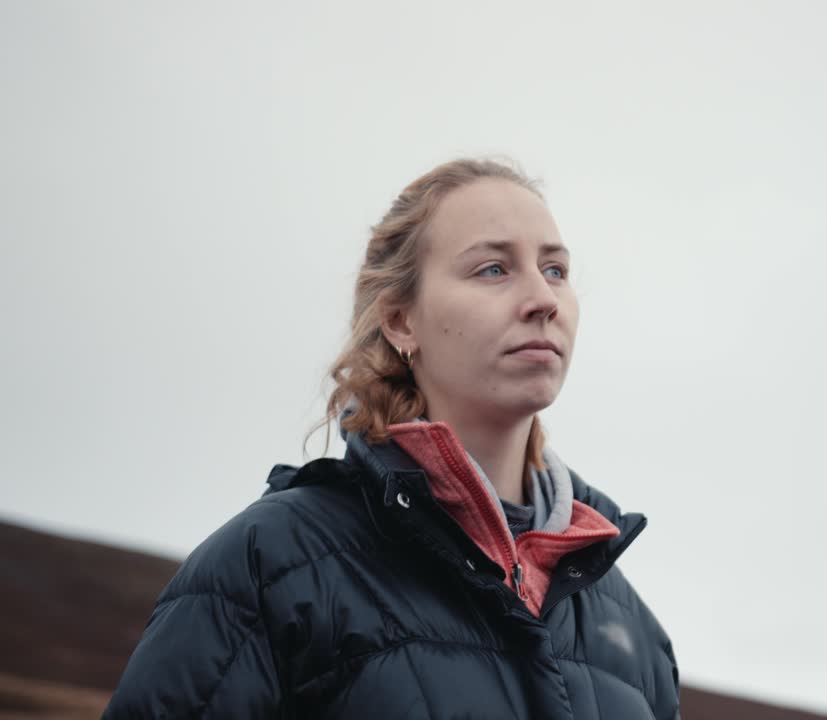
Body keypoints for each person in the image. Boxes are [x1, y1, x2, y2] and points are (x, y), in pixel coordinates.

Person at [103, 157, 680, 718]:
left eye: (555, 269)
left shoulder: (634, 634)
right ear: (401, 320)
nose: (543, 301)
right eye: (493, 269)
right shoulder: (268, 568)